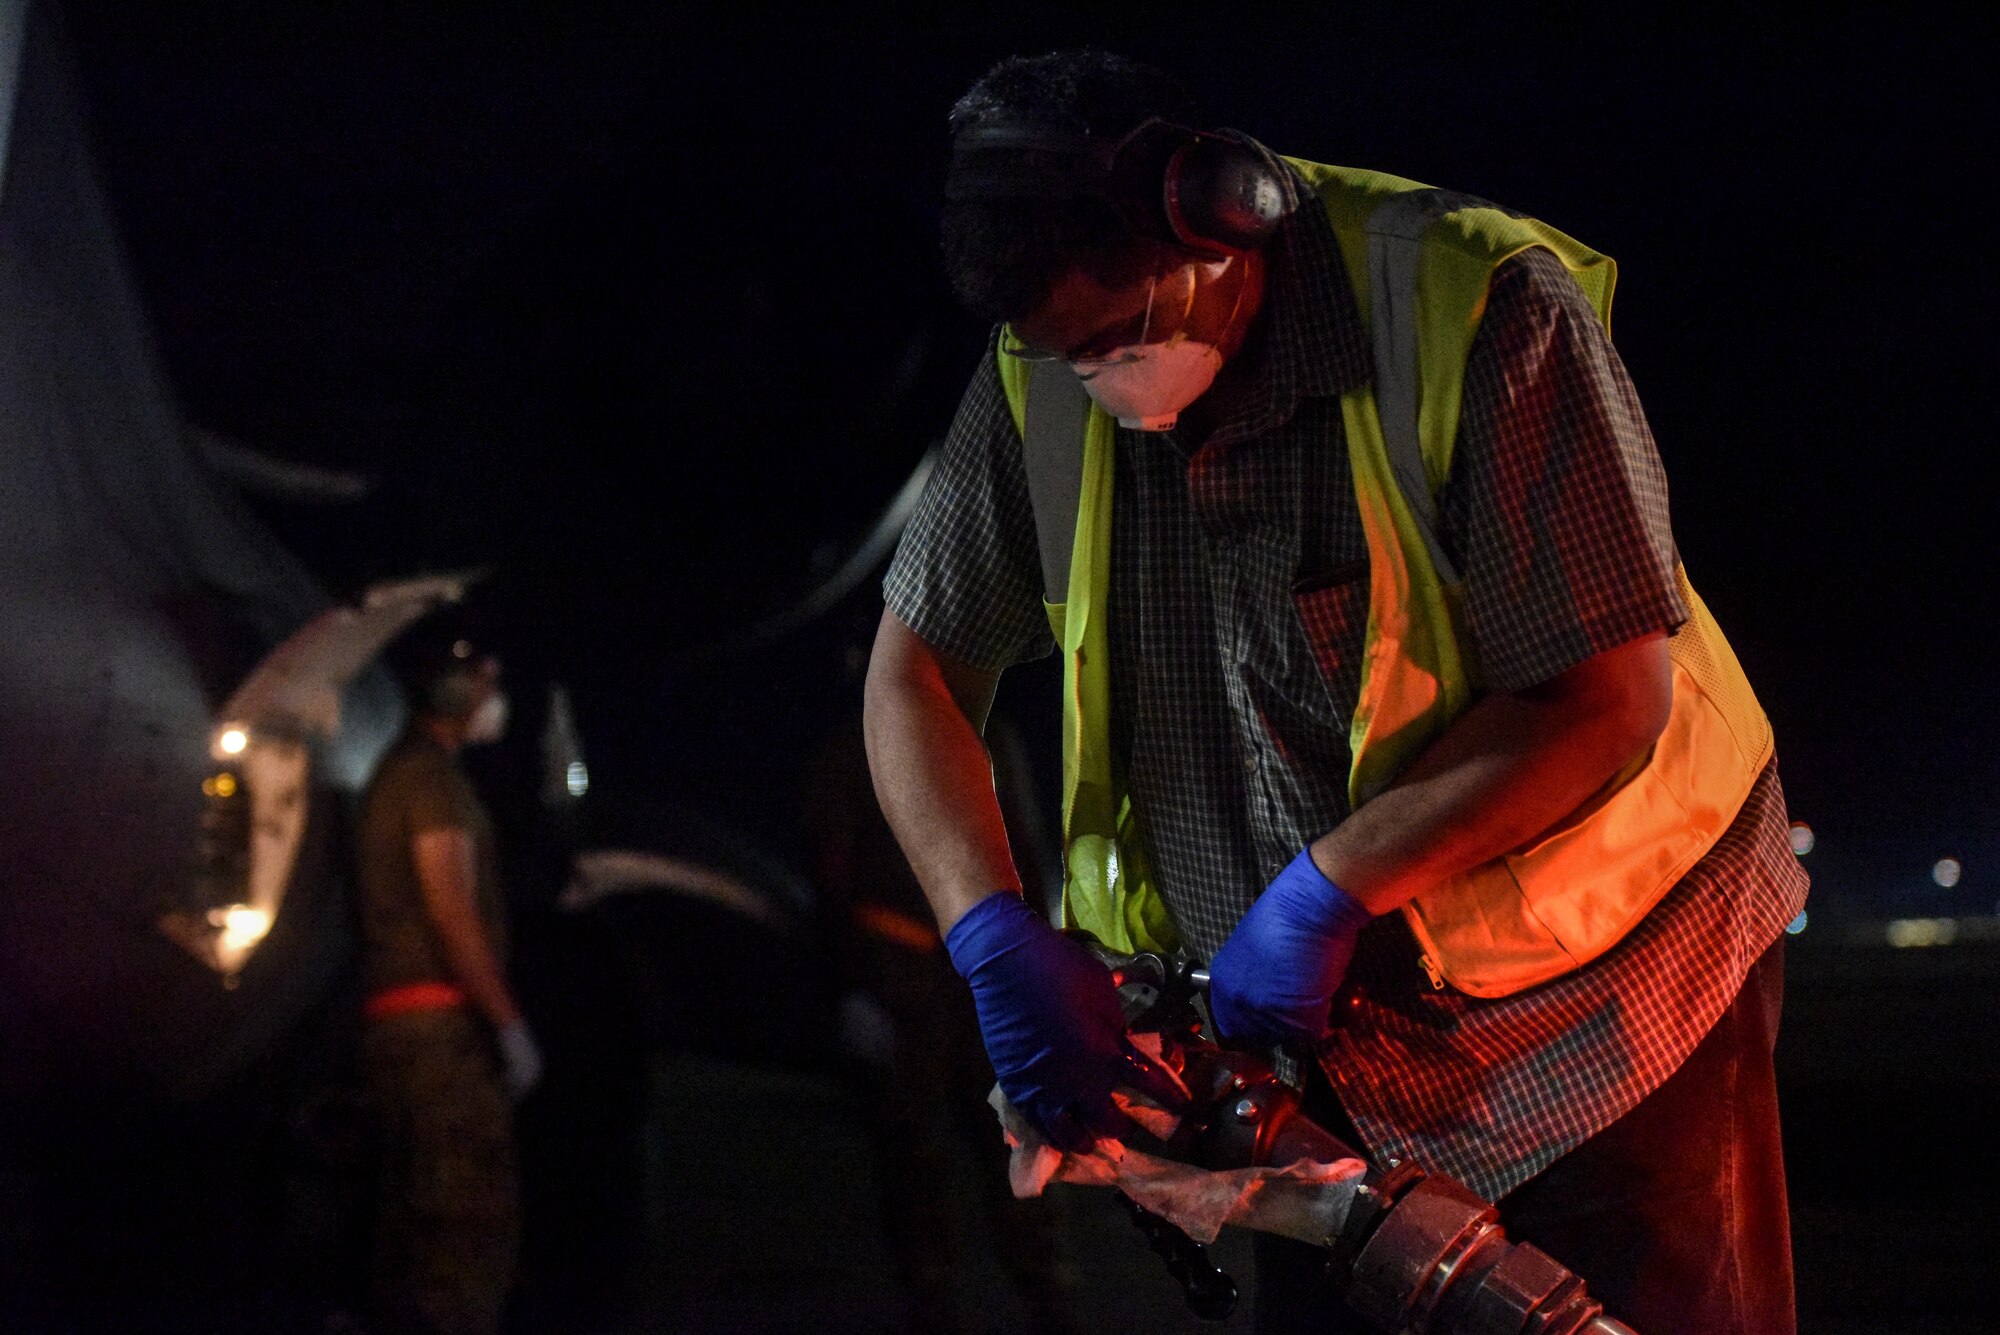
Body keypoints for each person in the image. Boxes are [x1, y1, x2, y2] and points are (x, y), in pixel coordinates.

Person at [863, 49, 1807, 1334]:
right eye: (1071, 357)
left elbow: (1600, 700)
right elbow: (914, 675)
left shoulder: (1471, 304)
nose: (1110, 389)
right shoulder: (1043, 368)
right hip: (1321, 1054)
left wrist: (1324, 891)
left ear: (1220, 210)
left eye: (1125, 333)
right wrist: (986, 933)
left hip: (1605, 1002)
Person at [357, 632, 542, 1335]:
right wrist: (509, 1025)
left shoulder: (396, 772)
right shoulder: (432, 782)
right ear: (458, 694)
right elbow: (451, 909)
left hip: (398, 1035)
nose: (498, 700)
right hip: (442, 1042)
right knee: (464, 1241)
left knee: (407, 1239)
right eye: (489, 684)